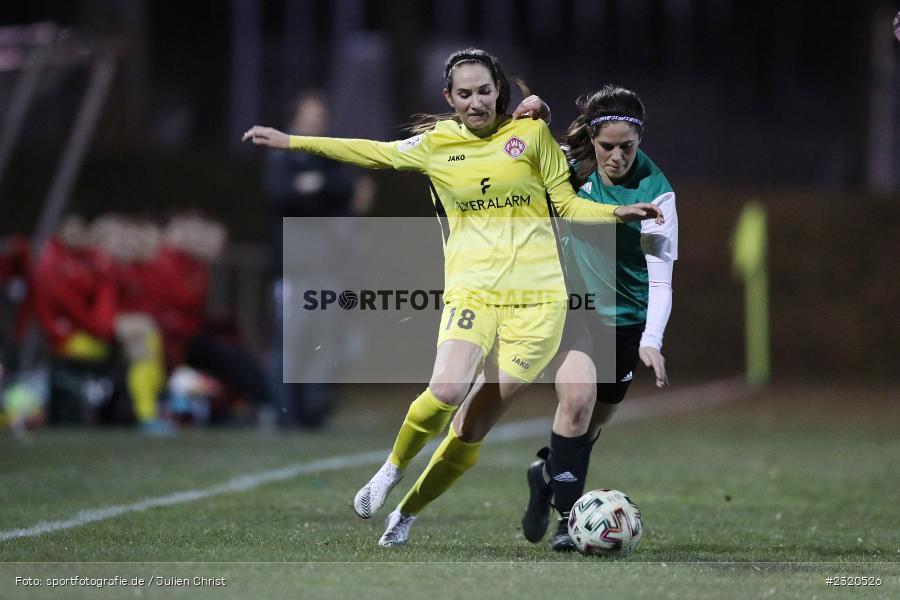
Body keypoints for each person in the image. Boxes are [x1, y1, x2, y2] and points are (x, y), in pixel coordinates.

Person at [243, 48, 662, 547]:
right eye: (465, 93)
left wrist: (616, 214)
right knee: (445, 390)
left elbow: (569, 202)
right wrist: (293, 142)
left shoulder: (528, 137)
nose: (477, 101)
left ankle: (406, 514)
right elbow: (372, 151)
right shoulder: (436, 144)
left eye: (485, 90)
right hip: (474, 292)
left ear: (498, 91)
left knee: (470, 427)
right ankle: (390, 470)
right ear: (450, 97)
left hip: (540, 304)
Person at [511, 85, 679, 551]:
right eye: (608, 146)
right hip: (570, 305)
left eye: (628, 146)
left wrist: (652, 340)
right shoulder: (570, 164)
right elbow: (504, 150)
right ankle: (570, 522)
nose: (618, 156)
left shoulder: (656, 194)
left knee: (589, 425)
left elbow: (660, 278)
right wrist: (525, 117)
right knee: (579, 400)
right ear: (592, 137)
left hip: (625, 320)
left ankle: (547, 476)